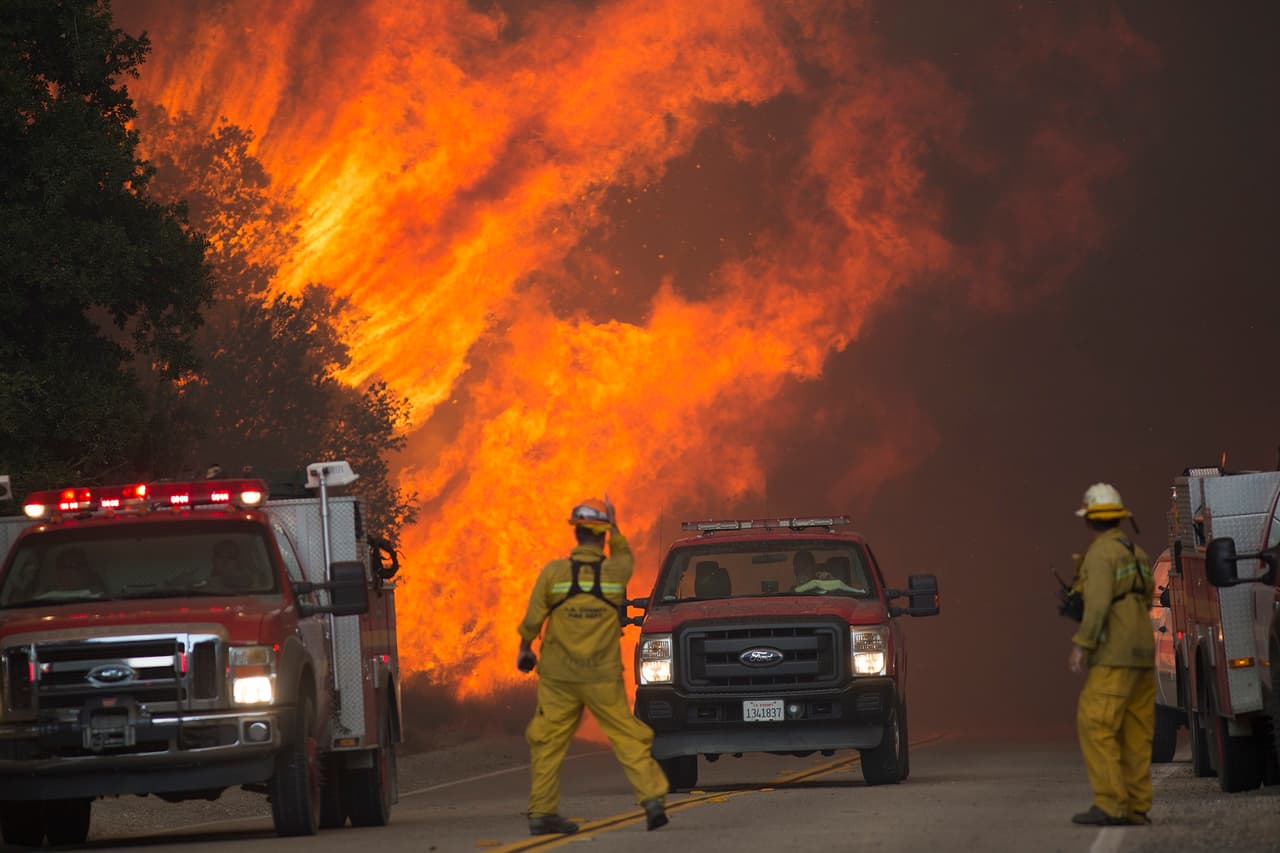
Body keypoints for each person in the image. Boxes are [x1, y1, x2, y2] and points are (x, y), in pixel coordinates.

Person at [516, 497, 670, 836]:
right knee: (627, 736)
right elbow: (626, 555)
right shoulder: (616, 573)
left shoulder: (554, 573)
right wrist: (614, 528)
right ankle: (652, 800)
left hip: (559, 676)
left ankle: (542, 813)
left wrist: (525, 649)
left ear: (576, 536)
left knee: (549, 741)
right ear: (602, 537)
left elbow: (532, 620)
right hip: (601, 676)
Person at [1067, 483, 1156, 827]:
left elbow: (1099, 605)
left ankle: (1111, 804)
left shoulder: (1100, 554)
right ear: (1119, 518)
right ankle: (1136, 806)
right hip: (1142, 653)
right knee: (1136, 731)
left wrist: (1082, 645)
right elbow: (1146, 598)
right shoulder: (1138, 552)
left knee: (1096, 723)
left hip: (1114, 655)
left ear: (1089, 521)